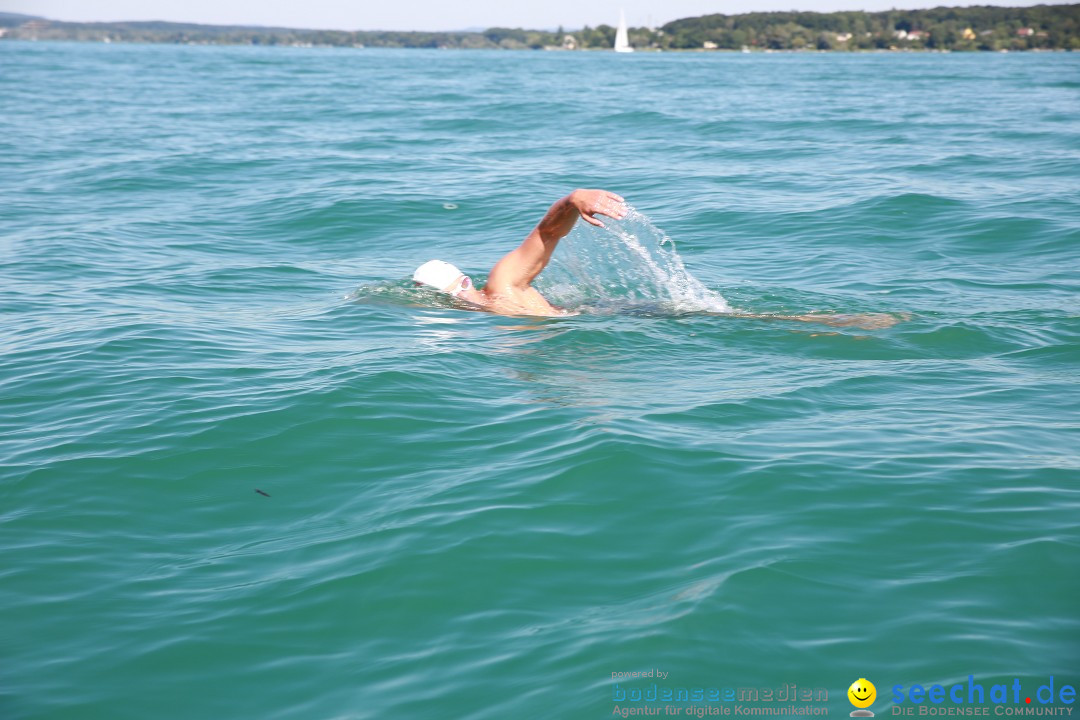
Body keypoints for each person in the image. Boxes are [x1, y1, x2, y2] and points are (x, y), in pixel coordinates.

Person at [413, 189, 626, 317]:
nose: (458, 300)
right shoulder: (484, 315)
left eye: (458, 292)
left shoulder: (502, 284)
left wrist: (571, 201)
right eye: (448, 300)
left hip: (629, 315)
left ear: (466, 282)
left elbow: (547, 233)